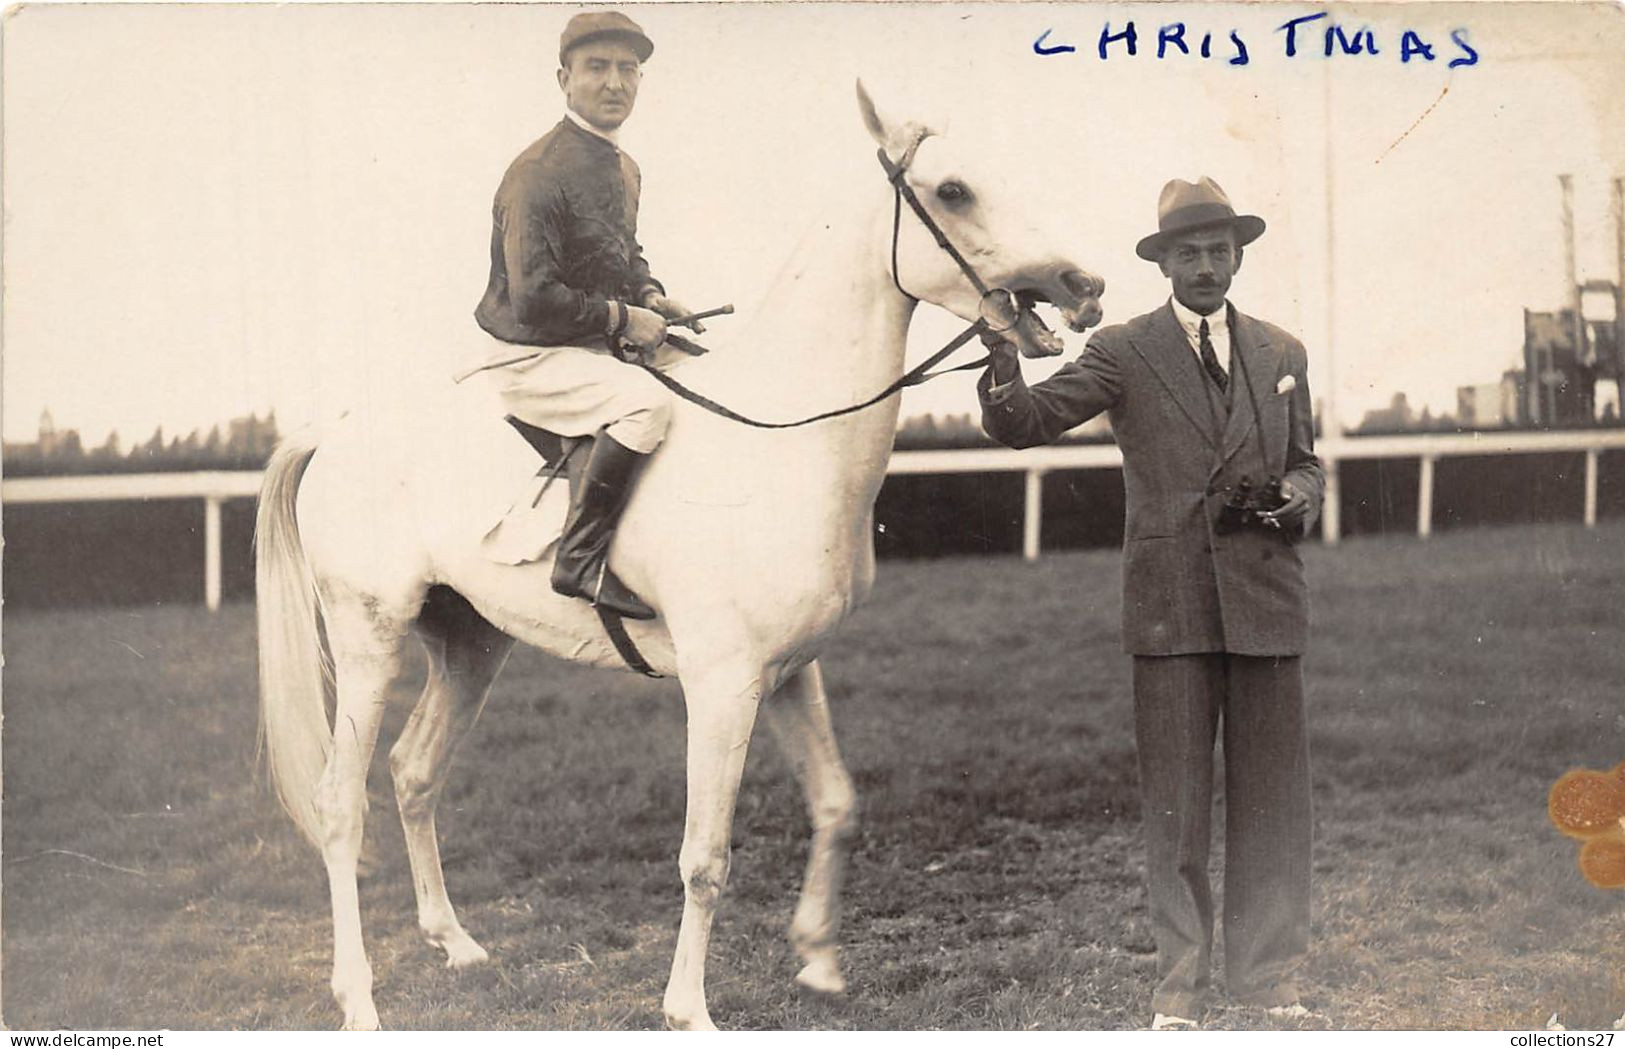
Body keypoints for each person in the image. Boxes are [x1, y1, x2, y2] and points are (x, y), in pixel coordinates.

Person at [977, 177, 1325, 1029]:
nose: (1205, 266)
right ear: (1162, 262)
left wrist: (1297, 496)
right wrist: (997, 345)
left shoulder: (1282, 352)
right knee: (1175, 805)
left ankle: (1266, 974)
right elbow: (1022, 420)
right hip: (1169, 604)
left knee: (1274, 800)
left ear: (1237, 255)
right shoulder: (1125, 352)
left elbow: (1308, 462)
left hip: (1263, 598)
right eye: (1187, 253)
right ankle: (1180, 987)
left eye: (1218, 250)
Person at [473, 10, 699, 621]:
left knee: (711, 373)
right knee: (646, 404)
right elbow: (535, 299)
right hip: (532, 354)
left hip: (591, 344)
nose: (615, 83)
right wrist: (626, 321)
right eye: (597, 67)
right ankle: (580, 559)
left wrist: (650, 296)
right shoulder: (537, 173)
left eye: (629, 69)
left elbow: (623, 255)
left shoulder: (625, 168)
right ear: (563, 78)